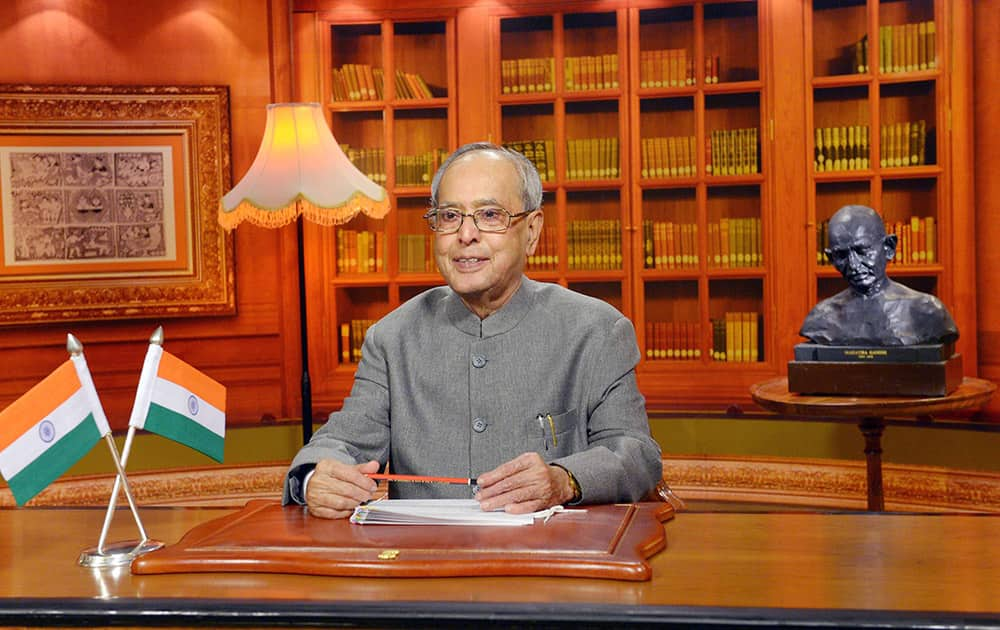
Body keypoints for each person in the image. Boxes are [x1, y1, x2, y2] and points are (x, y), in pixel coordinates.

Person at [283, 142, 662, 519]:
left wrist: (564, 480)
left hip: (548, 565)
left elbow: (636, 455)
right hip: (423, 565)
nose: (466, 234)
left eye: (490, 214)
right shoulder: (392, 337)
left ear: (532, 231)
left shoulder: (596, 330)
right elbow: (340, 443)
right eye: (450, 216)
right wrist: (314, 477)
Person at [799, 204, 958, 346]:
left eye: (863, 251)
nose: (853, 265)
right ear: (831, 259)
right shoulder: (821, 318)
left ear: (889, 247)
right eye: (841, 255)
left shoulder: (927, 311)